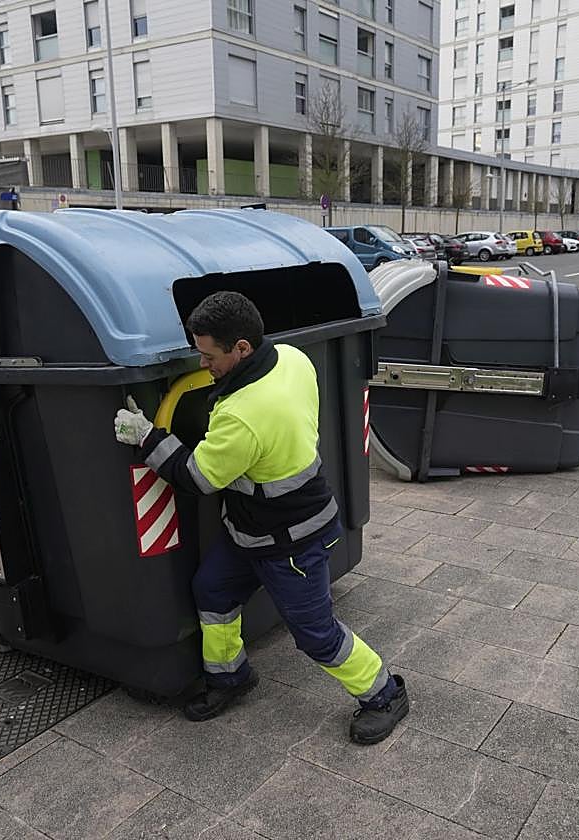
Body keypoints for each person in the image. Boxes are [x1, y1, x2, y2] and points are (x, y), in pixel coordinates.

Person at [113, 291, 409, 745]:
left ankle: (384, 693)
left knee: (317, 636)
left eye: (209, 354)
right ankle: (229, 676)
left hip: (291, 543)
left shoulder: (243, 415)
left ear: (242, 349)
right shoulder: (291, 358)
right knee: (211, 590)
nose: (201, 362)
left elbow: (198, 477)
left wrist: (147, 437)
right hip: (252, 529)